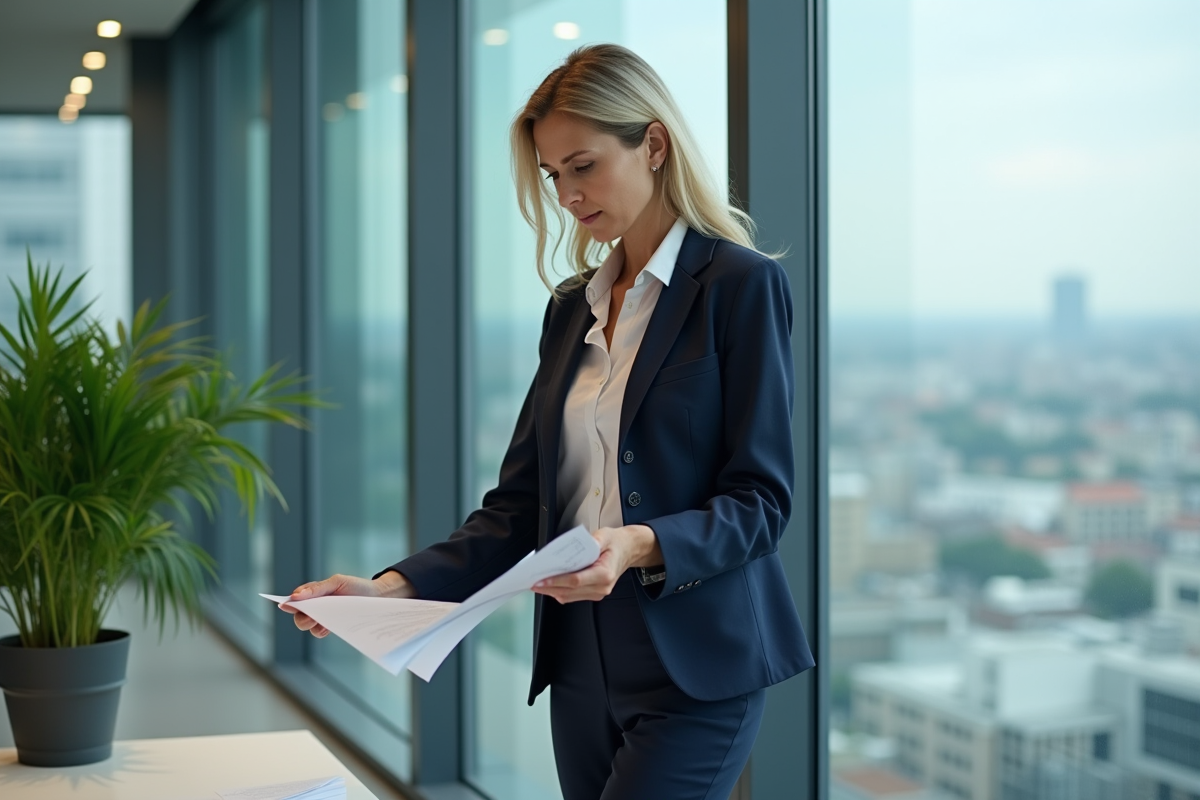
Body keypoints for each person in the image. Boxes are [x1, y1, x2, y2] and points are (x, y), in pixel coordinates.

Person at [285, 43, 814, 800]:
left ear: (654, 144)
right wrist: (388, 590)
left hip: (699, 662)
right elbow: (517, 509)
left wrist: (634, 545)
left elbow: (761, 503)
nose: (567, 194)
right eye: (552, 174)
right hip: (580, 660)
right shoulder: (572, 308)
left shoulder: (740, 285)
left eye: (584, 165)